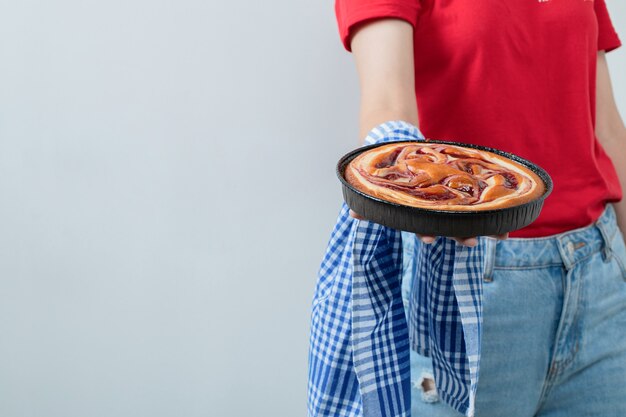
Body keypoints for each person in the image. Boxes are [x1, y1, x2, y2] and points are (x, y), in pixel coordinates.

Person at [333, 0, 626, 416]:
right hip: (467, 280)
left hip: (599, 276)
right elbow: (387, 107)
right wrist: (412, 198)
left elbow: (608, 128)